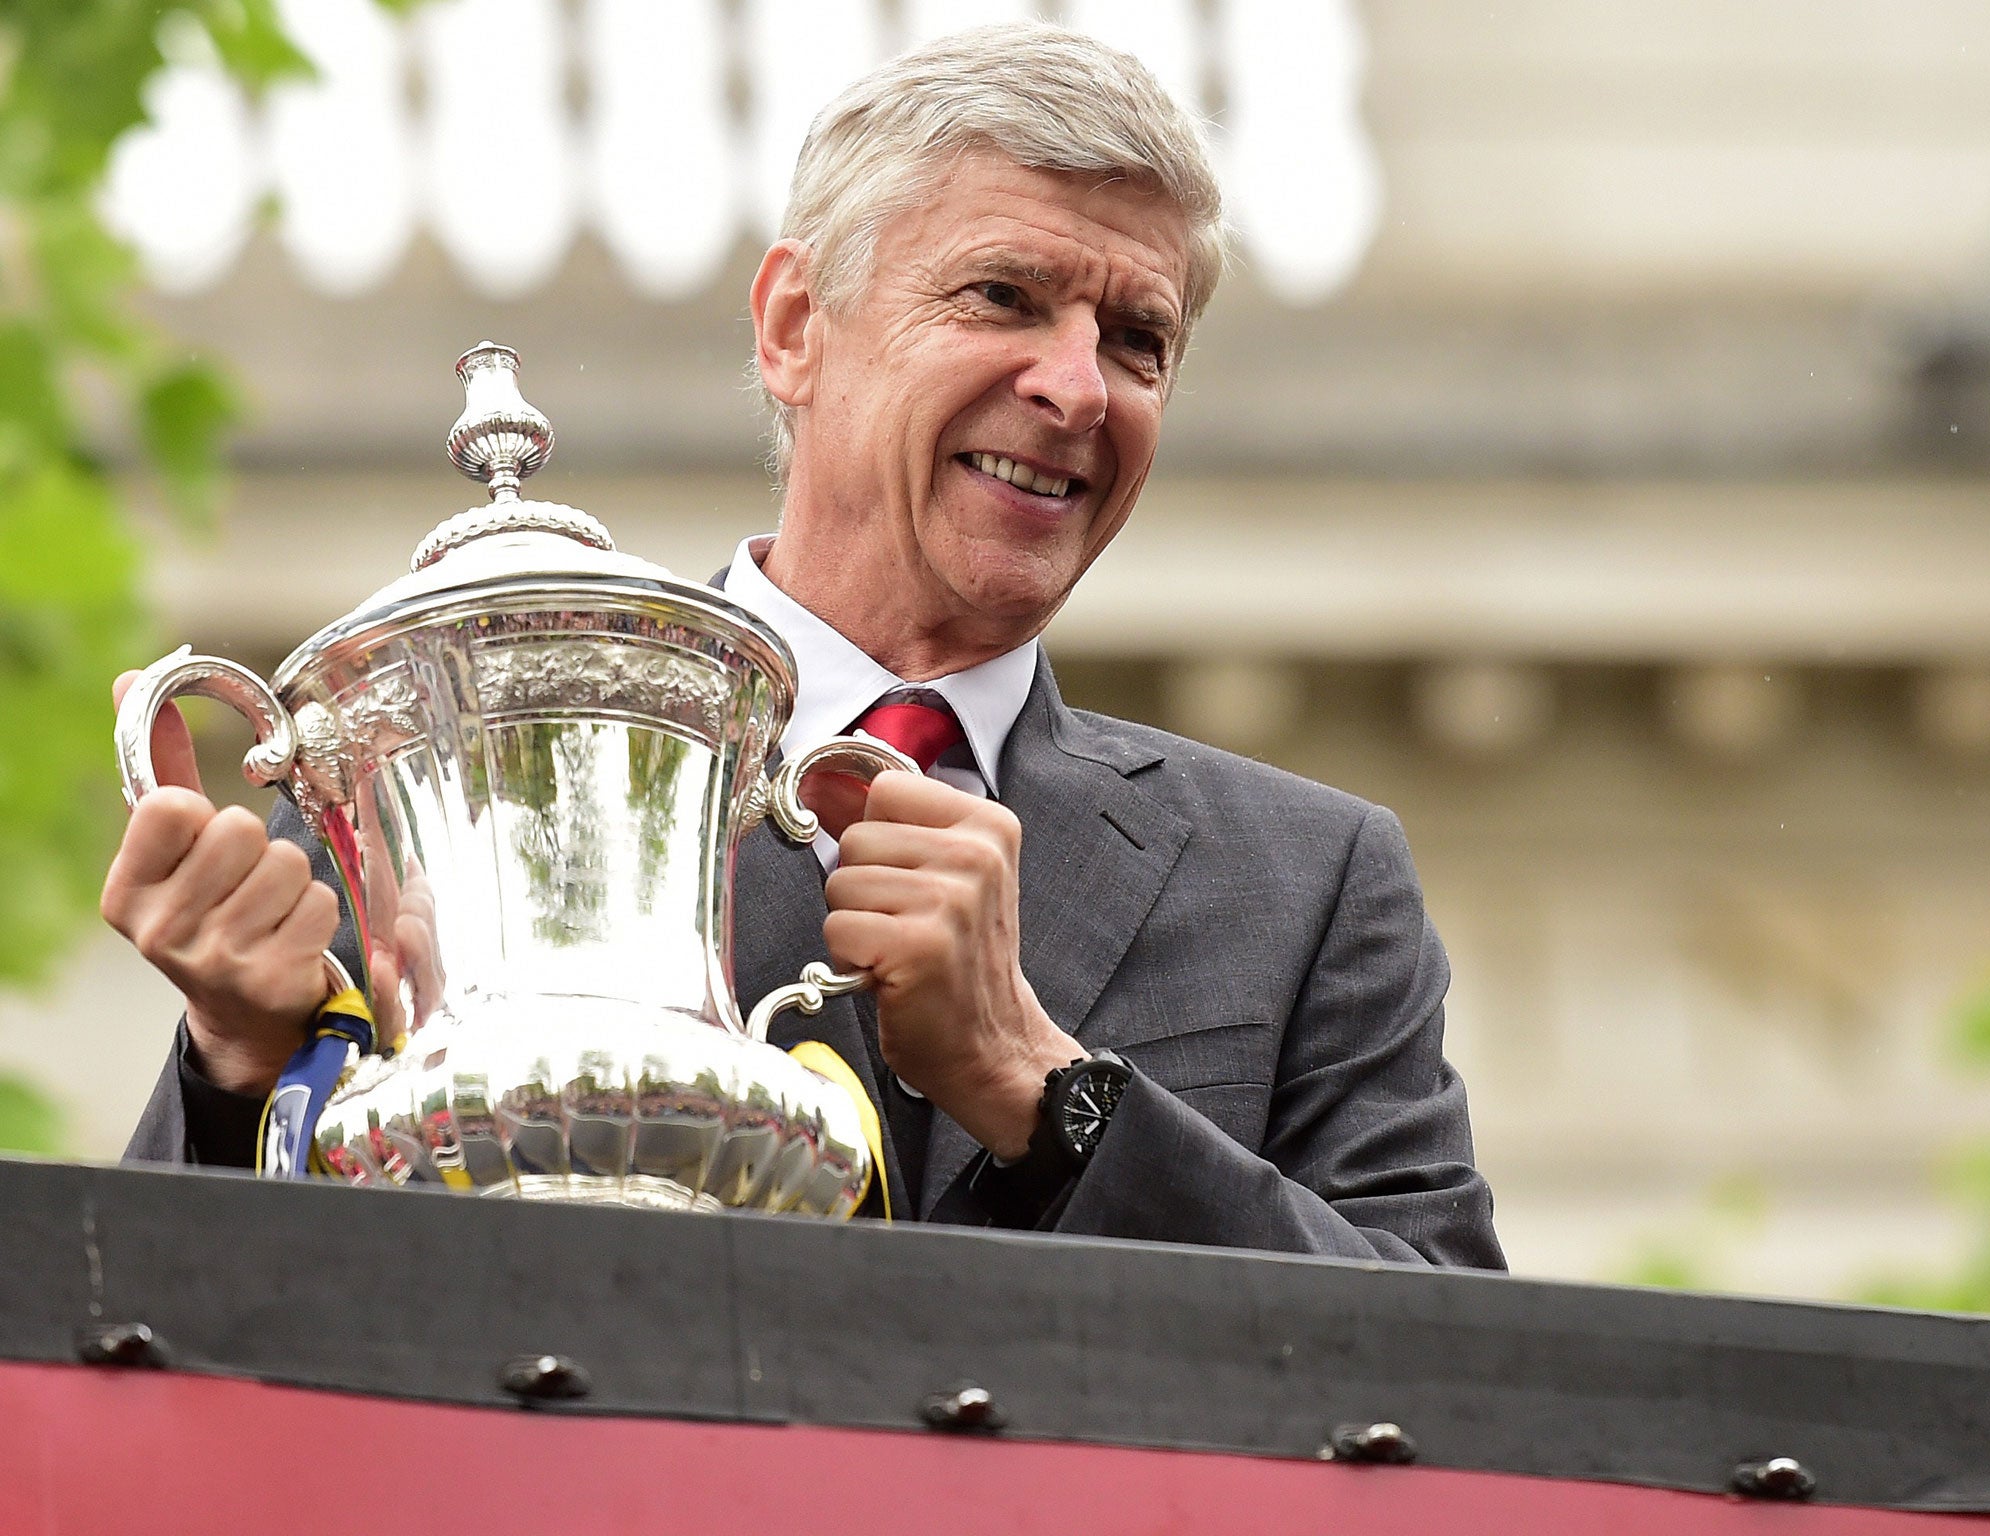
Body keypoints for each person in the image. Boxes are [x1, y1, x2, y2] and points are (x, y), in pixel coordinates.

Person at [105, 23, 1504, 1268]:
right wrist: (237, 1064)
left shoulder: (1310, 883)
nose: (1078, 387)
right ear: (793, 328)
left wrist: (1043, 1086)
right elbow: (154, 1355)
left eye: (1138, 339)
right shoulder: (453, 781)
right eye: (1003, 298)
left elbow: (1460, 1387)